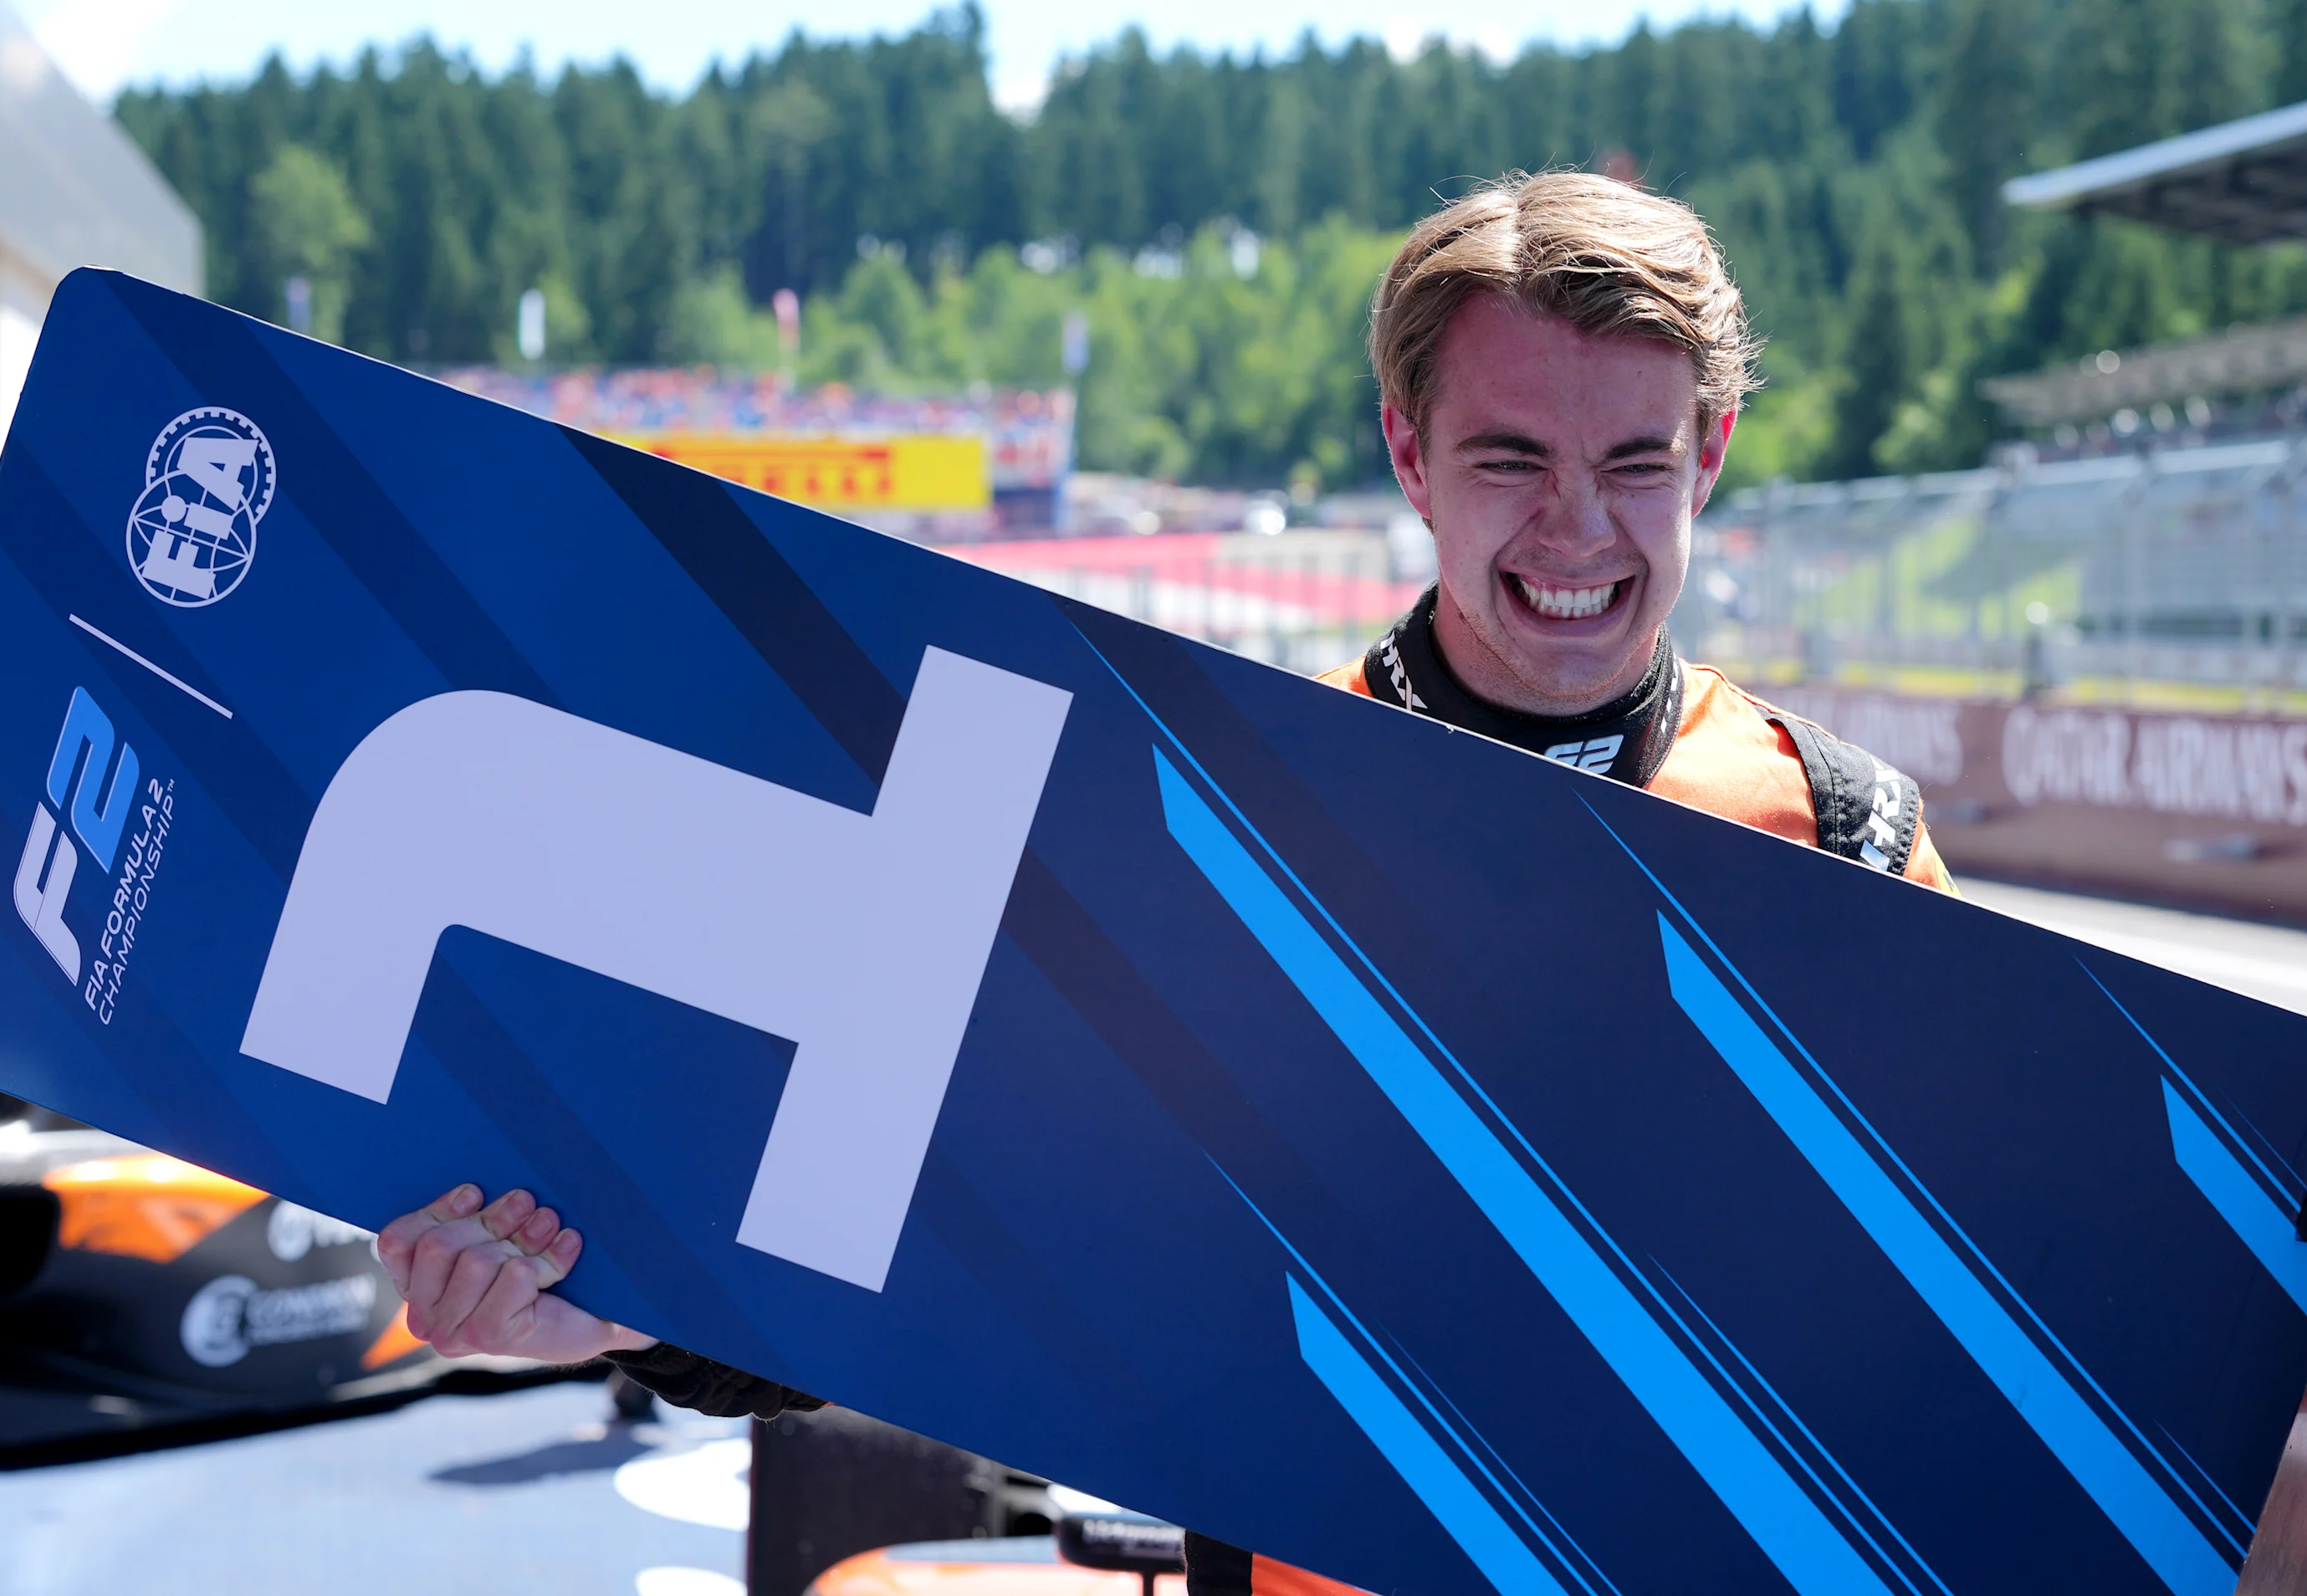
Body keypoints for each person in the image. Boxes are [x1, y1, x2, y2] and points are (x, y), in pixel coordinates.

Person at [373, 170, 1954, 1595]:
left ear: (1714, 454)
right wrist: (626, 1314)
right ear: (1408, 452)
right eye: (1509, 457)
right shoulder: (1205, 818)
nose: (1577, 527)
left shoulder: (1848, 837)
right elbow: (936, 1201)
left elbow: (1965, 1331)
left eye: (1634, 462)